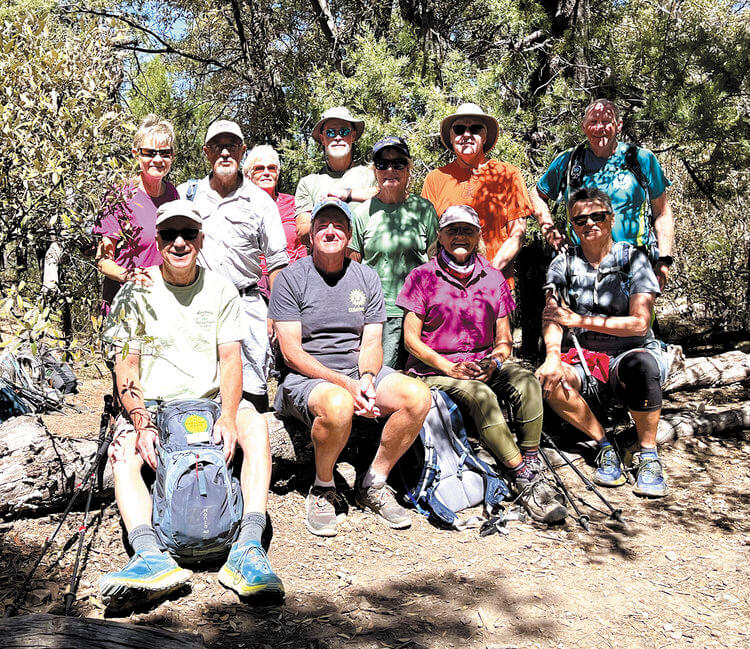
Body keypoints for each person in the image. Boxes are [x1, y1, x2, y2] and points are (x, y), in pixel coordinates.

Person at [99, 200, 283, 610]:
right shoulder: (136, 290)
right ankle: (149, 555)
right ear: (158, 241)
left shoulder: (220, 289)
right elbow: (126, 366)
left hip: (207, 404)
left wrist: (231, 416)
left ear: (200, 239)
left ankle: (249, 547)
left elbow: (230, 360)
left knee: (257, 425)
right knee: (123, 446)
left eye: (188, 234)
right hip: (155, 406)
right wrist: (141, 421)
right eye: (169, 235)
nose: (179, 243)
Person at [269, 198, 432, 537]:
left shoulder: (366, 277)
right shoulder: (290, 279)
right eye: (323, 225)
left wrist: (369, 379)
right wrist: (346, 384)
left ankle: (373, 482)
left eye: (339, 226)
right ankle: (323, 486)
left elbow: (372, 342)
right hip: (305, 378)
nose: (331, 231)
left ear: (350, 235)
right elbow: (291, 354)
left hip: (355, 373)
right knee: (339, 404)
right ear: (310, 235)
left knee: (416, 396)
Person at [396, 205, 567, 524]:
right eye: (452, 230)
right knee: (481, 396)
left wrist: (495, 360)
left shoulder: (492, 277)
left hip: (482, 362)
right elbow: (410, 340)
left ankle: (530, 462)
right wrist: (448, 367)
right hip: (434, 370)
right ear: (440, 236)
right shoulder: (421, 277)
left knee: (527, 381)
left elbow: (504, 338)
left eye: (467, 230)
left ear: (478, 235)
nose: (460, 236)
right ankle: (523, 479)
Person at [536, 187, 669, 498]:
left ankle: (648, 453)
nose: (589, 224)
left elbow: (639, 323)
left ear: (611, 219)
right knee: (548, 380)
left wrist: (580, 320)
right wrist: (553, 356)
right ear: (571, 225)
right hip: (582, 357)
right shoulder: (563, 264)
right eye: (580, 220)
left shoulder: (633, 259)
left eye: (597, 216)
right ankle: (603, 445)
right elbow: (552, 316)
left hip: (629, 351)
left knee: (643, 366)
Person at [178, 120, 289, 411]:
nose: (224, 153)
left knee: (252, 385)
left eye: (231, 146)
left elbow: (277, 262)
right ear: (206, 152)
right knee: (202, 383)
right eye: (217, 146)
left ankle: (251, 449)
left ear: (242, 151)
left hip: (247, 305)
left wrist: (275, 313)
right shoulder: (187, 196)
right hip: (198, 303)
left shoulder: (260, 201)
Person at [531, 98, 675, 289]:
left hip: (634, 265)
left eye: (606, 121)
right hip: (580, 266)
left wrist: (663, 263)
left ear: (619, 125)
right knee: (577, 319)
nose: (600, 128)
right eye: (593, 122)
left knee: (638, 319)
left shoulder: (641, 160)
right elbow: (536, 194)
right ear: (583, 127)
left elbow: (662, 213)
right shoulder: (569, 161)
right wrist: (549, 230)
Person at [348, 136, 438, 369]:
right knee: (383, 376)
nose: (390, 170)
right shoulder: (362, 213)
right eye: (382, 164)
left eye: (398, 164)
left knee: (419, 378)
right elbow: (353, 267)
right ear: (375, 171)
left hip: (418, 312)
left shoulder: (424, 209)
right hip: (378, 313)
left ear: (408, 169)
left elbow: (436, 261)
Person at [421, 103, 533, 288]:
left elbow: (517, 235)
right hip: (446, 288)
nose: (466, 135)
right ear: (451, 137)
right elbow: (430, 239)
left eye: (475, 129)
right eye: (459, 129)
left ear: (485, 135)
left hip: (496, 285)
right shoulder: (435, 179)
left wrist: (488, 274)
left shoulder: (508, 174)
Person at [93, 114, 179, 314]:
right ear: (136, 154)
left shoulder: (173, 194)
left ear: (172, 157)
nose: (157, 159)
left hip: (163, 304)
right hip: (126, 306)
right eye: (150, 152)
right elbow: (103, 260)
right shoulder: (120, 195)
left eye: (165, 153)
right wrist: (129, 276)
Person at [294, 106, 378, 245]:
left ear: (353, 136)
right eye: (331, 132)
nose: (338, 137)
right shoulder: (308, 183)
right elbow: (303, 232)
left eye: (344, 132)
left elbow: (389, 195)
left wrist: (348, 194)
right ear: (322, 139)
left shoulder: (373, 175)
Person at [243, 145, 307, 297]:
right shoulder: (240, 208)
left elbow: (303, 245)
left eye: (271, 168)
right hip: (255, 282)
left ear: (277, 174)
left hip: (293, 279)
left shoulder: (293, 203)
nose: (266, 172)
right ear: (248, 176)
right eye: (259, 168)